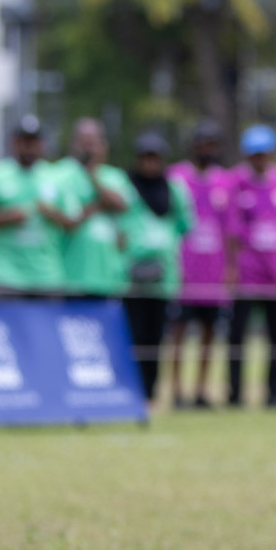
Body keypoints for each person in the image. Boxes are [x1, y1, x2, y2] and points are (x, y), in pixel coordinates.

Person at [225, 125, 276, 408]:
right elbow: (231, 228)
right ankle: (234, 394)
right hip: (247, 272)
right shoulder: (236, 181)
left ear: (273, 153)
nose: (259, 159)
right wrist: (232, 266)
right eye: (254, 154)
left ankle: (275, 393)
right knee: (237, 335)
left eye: (264, 153)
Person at [121, 132, 194, 403]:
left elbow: (185, 224)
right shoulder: (126, 185)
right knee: (133, 336)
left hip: (164, 276)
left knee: (155, 337)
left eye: (155, 158)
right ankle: (132, 389)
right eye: (146, 158)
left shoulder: (173, 188)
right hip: (130, 275)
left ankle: (150, 391)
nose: (150, 164)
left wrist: (163, 246)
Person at [168, 120, 233, 409]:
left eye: (212, 144)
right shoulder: (177, 176)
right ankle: (176, 390)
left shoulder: (225, 181)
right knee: (179, 331)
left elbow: (230, 229)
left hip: (213, 273)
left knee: (209, 333)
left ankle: (201, 390)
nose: (207, 149)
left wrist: (230, 267)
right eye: (202, 144)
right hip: (185, 270)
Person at [0, 116, 65, 298]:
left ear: (42, 144)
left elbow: (72, 220)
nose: (29, 147)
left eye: (33, 141)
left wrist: (52, 213)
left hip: (47, 276)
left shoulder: (55, 177)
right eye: (24, 141)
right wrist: (6, 217)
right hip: (6, 276)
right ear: (14, 143)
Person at [54, 118, 132, 301]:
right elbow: (65, 220)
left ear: (104, 145)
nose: (89, 149)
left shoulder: (116, 176)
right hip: (71, 279)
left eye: (93, 142)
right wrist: (99, 206)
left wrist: (92, 176)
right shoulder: (59, 174)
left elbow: (121, 205)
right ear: (73, 144)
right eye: (84, 142)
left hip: (109, 279)